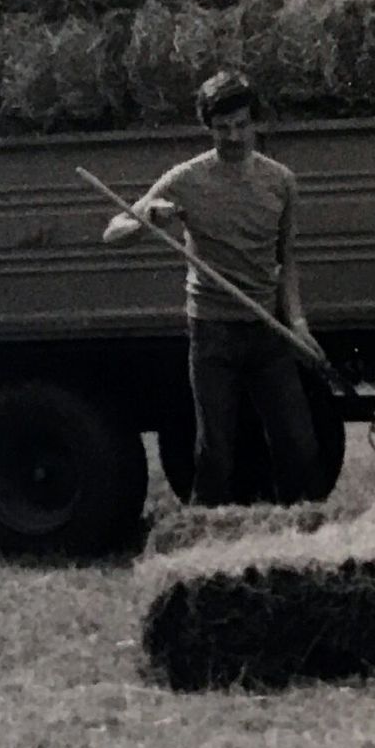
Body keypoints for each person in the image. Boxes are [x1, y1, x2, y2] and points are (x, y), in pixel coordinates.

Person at [102, 69, 318, 506]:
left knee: (300, 444)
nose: (234, 136)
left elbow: (287, 261)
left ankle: (302, 532)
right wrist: (150, 217)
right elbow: (113, 231)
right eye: (222, 129)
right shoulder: (186, 179)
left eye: (241, 125)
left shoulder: (281, 181)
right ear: (209, 128)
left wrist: (297, 322)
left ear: (254, 121)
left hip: (266, 328)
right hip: (213, 331)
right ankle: (205, 533)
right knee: (215, 449)